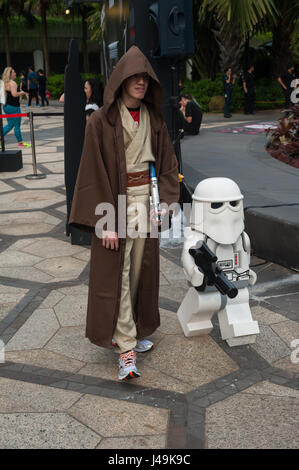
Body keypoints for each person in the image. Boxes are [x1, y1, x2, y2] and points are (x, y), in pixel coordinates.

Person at [69, 46, 180, 381]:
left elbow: (168, 166)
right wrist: (105, 223)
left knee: (138, 275)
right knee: (117, 275)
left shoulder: (154, 119)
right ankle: (127, 349)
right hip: (114, 204)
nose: (141, 82)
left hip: (145, 203)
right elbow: (91, 170)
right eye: (134, 76)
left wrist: (165, 204)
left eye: (145, 76)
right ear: (120, 79)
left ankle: (129, 330)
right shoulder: (101, 121)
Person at [1, 67, 31, 147]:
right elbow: (14, 94)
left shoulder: (4, 82)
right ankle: (20, 142)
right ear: (10, 74)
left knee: (10, 125)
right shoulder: (13, 83)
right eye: (13, 72)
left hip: (6, 106)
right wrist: (21, 93)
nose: (15, 73)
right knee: (17, 125)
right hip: (13, 107)